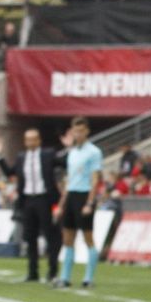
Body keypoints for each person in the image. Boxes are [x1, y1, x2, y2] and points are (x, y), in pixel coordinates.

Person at [0, 128, 62, 283]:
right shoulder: (21, 157)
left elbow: (64, 163)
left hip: (45, 199)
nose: (30, 142)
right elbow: (10, 172)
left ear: (39, 140)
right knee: (29, 236)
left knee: (50, 235)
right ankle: (33, 272)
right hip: (27, 200)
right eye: (28, 139)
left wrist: (70, 147)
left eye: (33, 139)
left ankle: (52, 271)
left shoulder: (48, 154)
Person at [54, 116, 103, 289]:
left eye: (81, 130)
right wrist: (61, 203)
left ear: (87, 131)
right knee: (68, 238)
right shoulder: (72, 153)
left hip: (84, 195)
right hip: (72, 195)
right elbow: (69, 180)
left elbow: (95, 179)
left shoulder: (94, 152)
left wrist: (90, 203)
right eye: (75, 130)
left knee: (88, 237)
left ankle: (89, 277)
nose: (78, 134)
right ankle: (65, 276)